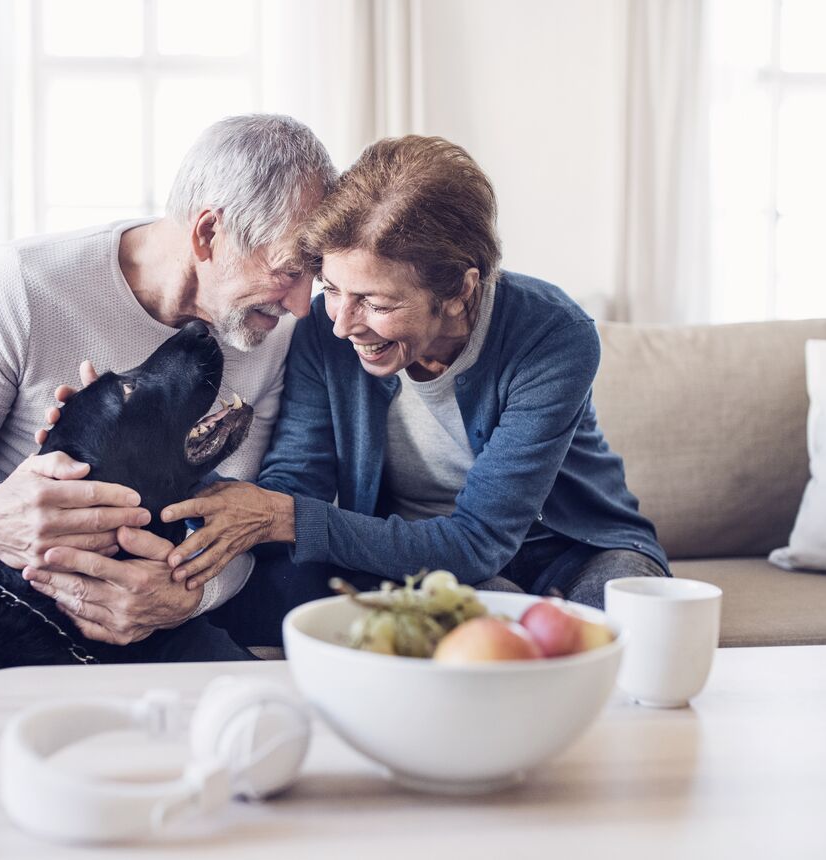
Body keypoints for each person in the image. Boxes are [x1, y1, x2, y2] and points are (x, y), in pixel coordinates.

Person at [145, 135, 671, 644]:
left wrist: (284, 516)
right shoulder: (324, 333)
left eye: (376, 303)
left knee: (623, 631)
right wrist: (165, 468)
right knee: (476, 637)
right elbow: (294, 485)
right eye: (332, 288)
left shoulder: (553, 335)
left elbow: (478, 540)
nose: (342, 324)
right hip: (416, 560)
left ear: (461, 290)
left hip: (580, 548)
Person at [0, 114, 336, 658]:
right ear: (209, 232)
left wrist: (187, 595)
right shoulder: (19, 286)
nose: (303, 305)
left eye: (316, 273)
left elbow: (233, 527)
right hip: (16, 607)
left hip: (165, 611)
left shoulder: (274, 332)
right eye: (288, 270)